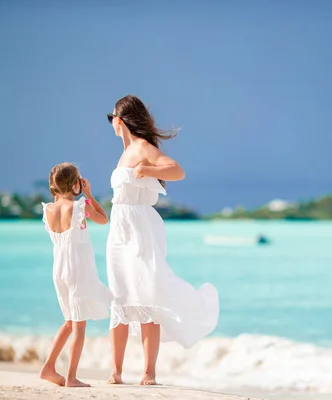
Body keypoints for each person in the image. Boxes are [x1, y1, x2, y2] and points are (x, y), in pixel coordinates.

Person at [106, 95, 219, 385]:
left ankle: (148, 372)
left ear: (120, 120)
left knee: (147, 295)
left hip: (140, 226)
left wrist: (147, 170)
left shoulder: (143, 148)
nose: (112, 125)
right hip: (119, 229)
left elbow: (177, 171)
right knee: (119, 296)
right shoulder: (125, 151)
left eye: (112, 119)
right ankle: (115, 372)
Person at [39, 162, 113, 387]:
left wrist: (73, 192)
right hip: (78, 269)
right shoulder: (80, 207)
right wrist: (88, 193)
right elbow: (103, 218)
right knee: (79, 326)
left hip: (59, 269)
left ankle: (48, 367)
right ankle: (71, 377)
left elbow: (61, 203)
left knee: (70, 322)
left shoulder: (49, 209)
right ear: (75, 185)